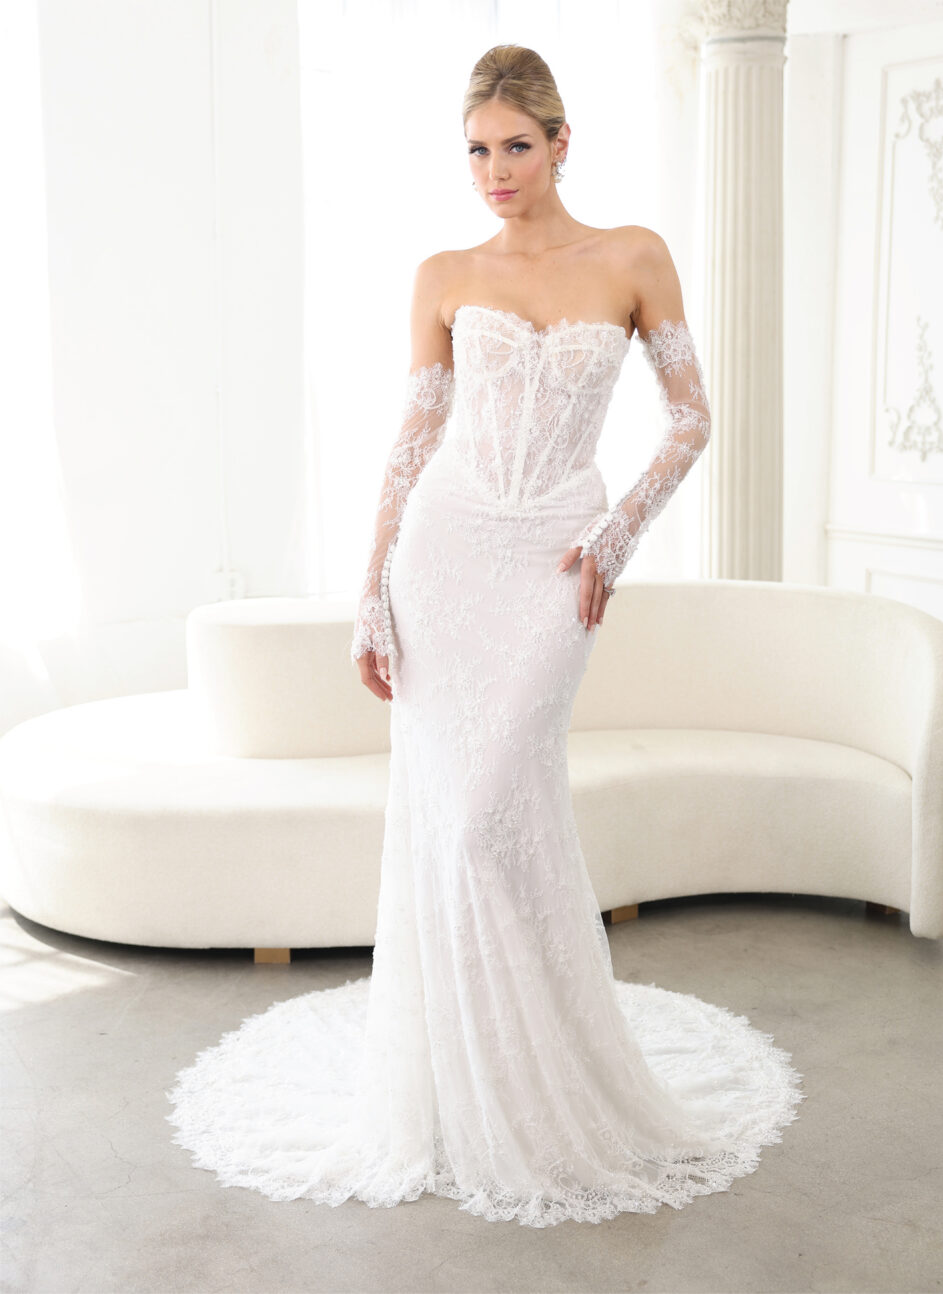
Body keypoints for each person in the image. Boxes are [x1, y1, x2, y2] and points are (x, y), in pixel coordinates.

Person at [165, 43, 804, 1229]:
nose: (493, 169)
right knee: (456, 824)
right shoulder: (443, 271)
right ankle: (464, 1082)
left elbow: (691, 419)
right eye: (475, 149)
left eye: (515, 144)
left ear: (564, 142)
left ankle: (548, 1075)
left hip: (558, 558)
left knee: (496, 807)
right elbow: (411, 441)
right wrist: (370, 587)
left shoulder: (632, 257)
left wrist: (616, 538)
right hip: (444, 555)